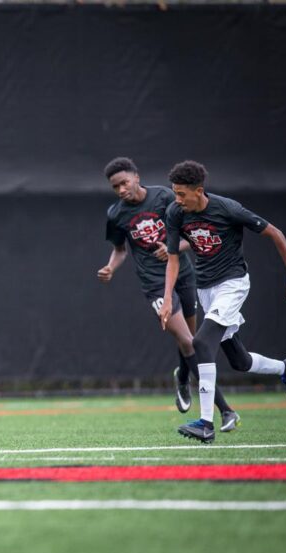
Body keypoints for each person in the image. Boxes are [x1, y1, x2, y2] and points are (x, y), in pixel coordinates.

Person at [161, 160, 286, 443]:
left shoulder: (228, 209)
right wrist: (167, 297)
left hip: (233, 284)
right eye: (174, 193)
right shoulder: (175, 213)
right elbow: (174, 258)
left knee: (200, 343)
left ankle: (206, 423)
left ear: (198, 191)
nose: (176, 199)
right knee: (240, 361)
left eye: (181, 194)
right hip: (206, 290)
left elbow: (276, 234)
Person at [98, 158, 241, 431]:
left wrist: (175, 248)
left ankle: (183, 376)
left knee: (194, 342)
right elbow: (120, 250)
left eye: (124, 183)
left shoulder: (164, 196)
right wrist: (110, 268)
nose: (120, 190)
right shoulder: (116, 214)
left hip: (185, 276)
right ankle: (226, 411)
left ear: (136, 177)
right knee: (188, 342)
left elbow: (190, 234)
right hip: (154, 283)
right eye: (115, 186)